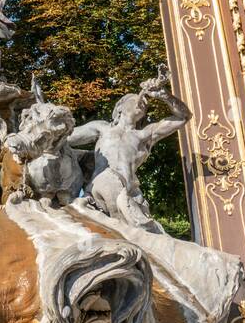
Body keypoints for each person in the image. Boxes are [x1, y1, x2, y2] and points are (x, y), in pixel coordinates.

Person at [69, 65, 190, 229]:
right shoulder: (102, 128)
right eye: (135, 99)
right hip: (98, 195)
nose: (143, 101)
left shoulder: (145, 134)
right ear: (119, 107)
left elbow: (183, 117)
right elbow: (65, 136)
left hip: (128, 196)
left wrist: (164, 95)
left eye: (146, 103)